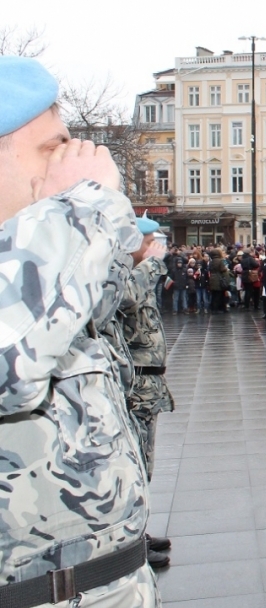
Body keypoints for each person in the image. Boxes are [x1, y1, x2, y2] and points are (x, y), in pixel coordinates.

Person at [0, 55, 159, 605]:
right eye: (51, 148)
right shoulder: (57, 239)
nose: (71, 162)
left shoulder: (35, 265)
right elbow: (10, 360)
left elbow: (94, 306)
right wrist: (82, 203)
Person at [119, 216, 174, 569]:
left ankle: (138, 533)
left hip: (147, 385)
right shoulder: (123, 275)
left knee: (144, 465)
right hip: (134, 385)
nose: (156, 248)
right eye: (149, 242)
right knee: (134, 466)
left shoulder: (139, 274)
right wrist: (152, 262)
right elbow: (127, 299)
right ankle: (129, 543)